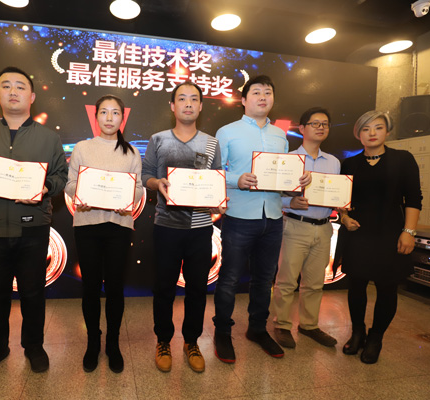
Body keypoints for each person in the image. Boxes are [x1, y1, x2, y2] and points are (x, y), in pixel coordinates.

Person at [0, 66, 68, 380]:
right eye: (6, 86)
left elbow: (60, 176)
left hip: (33, 227)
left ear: (31, 97)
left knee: (33, 292)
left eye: (20, 86)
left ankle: (34, 346)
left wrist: (46, 187)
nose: (13, 91)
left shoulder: (49, 138)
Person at [212, 75, 311, 362]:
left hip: (273, 216)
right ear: (243, 100)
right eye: (256, 92)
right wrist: (237, 179)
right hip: (239, 216)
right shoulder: (227, 132)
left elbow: (281, 177)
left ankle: (257, 328)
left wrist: (297, 181)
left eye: (268, 92)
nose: (263, 97)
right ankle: (222, 332)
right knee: (229, 279)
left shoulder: (280, 135)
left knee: (265, 279)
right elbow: (214, 173)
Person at [142, 80, 225, 373]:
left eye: (193, 99)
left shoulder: (211, 142)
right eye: (182, 98)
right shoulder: (158, 139)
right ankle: (163, 341)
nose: (188, 103)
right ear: (172, 105)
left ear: (200, 106)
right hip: (166, 225)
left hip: (200, 227)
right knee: (164, 288)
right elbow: (146, 175)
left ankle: (192, 341)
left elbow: (216, 179)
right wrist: (157, 183)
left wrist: (218, 201)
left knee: (197, 289)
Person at [65, 95, 143, 373]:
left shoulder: (131, 152)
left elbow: (138, 188)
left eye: (115, 113)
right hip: (87, 224)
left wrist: (127, 198)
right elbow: (70, 183)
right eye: (104, 112)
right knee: (89, 287)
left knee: (115, 288)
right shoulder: (82, 148)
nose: (109, 118)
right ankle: (93, 342)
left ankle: (113, 342)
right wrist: (80, 194)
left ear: (122, 117)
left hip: (118, 225)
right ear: (96, 116)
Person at [337, 110, 421, 364]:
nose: (372, 133)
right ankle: (358, 332)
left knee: (387, 287)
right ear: (358, 134)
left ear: (387, 131)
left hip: (390, 233)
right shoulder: (349, 164)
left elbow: (413, 198)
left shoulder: (402, 159)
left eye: (378, 127)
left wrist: (409, 232)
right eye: (365, 129)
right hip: (358, 233)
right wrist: (344, 218)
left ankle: (376, 338)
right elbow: (342, 200)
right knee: (356, 285)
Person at [271, 107, 340, 349]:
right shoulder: (289, 160)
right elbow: (272, 195)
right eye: (315, 123)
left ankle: (309, 325)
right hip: (295, 225)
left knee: (315, 282)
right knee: (286, 281)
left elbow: (337, 194)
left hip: (324, 227)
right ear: (301, 128)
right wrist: (289, 202)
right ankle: (282, 324)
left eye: (325, 124)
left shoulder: (333, 162)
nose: (321, 127)